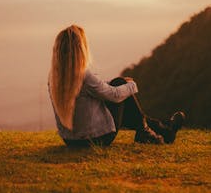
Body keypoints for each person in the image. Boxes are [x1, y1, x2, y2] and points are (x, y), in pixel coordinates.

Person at [48, 24, 185, 147]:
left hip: (71, 141)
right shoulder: (83, 75)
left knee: (117, 86)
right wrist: (130, 85)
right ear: (80, 49)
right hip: (97, 139)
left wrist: (114, 84)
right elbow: (114, 95)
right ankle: (151, 131)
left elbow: (95, 88)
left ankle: (159, 130)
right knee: (120, 86)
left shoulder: (54, 78)